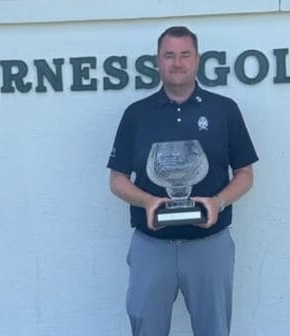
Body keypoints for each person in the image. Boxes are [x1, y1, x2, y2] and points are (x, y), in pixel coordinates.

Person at [107, 26, 258, 336]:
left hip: (210, 245)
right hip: (151, 246)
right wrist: (148, 201)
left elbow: (245, 175)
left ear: (197, 59)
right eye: (169, 55)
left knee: (213, 330)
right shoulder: (136, 114)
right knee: (145, 328)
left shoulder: (224, 110)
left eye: (185, 55)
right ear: (157, 61)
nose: (177, 63)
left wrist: (217, 202)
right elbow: (117, 180)